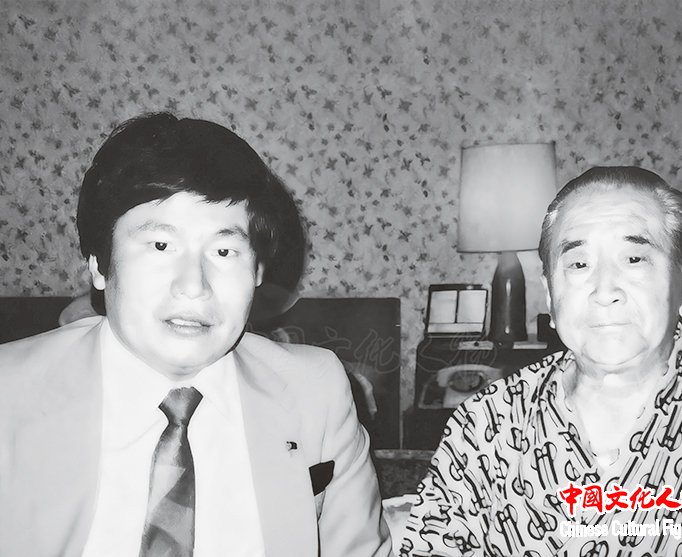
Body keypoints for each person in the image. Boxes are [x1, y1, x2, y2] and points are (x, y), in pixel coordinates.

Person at [0, 112, 392, 557]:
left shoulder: (315, 391)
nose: (194, 285)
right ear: (99, 265)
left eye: (224, 251)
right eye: (160, 245)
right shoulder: (10, 394)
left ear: (257, 272)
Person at [401, 167, 682, 556]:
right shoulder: (484, 426)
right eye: (579, 264)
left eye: (634, 258)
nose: (604, 290)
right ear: (551, 296)